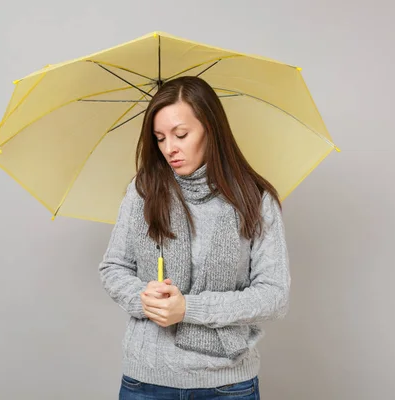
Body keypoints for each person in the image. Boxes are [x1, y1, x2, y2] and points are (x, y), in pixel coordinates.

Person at [98, 76, 290, 399]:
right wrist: (144, 297)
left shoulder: (254, 199)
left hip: (227, 386)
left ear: (211, 129)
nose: (169, 148)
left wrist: (188, 308)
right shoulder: (143, 191)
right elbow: (113, 267)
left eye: (181, 134)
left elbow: (274, 295)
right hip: (147, 382)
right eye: (159, 138)